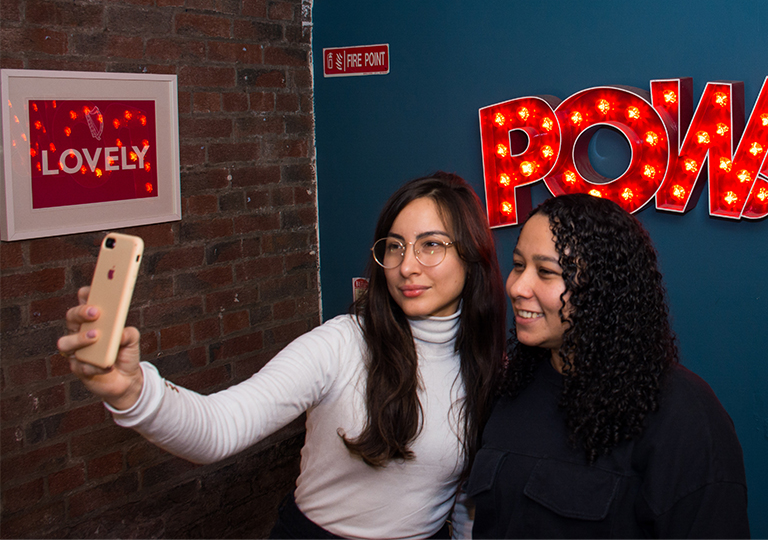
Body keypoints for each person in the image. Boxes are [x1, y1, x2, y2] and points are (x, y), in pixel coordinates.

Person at [57, 172, 506, 540]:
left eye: (431, 245)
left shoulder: (487, 366)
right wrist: (135, 392)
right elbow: (219, 427)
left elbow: (467, 500)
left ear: (471, 256)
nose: (407, 265)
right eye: (394, 245)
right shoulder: (342, 343)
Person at [467, 193, 750, 538]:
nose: (516, 286)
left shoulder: (683, 414)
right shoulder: (512, 389)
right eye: (517, 264)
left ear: (601, 287)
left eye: (545, 271)